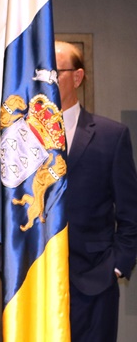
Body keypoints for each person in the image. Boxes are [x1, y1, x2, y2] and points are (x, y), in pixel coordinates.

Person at [55, 41, 137, 342]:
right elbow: (7, 207)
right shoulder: (24, 139)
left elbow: (130, 212)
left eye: (55, 72)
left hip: (94, 281)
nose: (46, 80)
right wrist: (5, 258)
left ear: (77, 77)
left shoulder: (111, 136)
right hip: (35, 281)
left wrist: (117, 266)